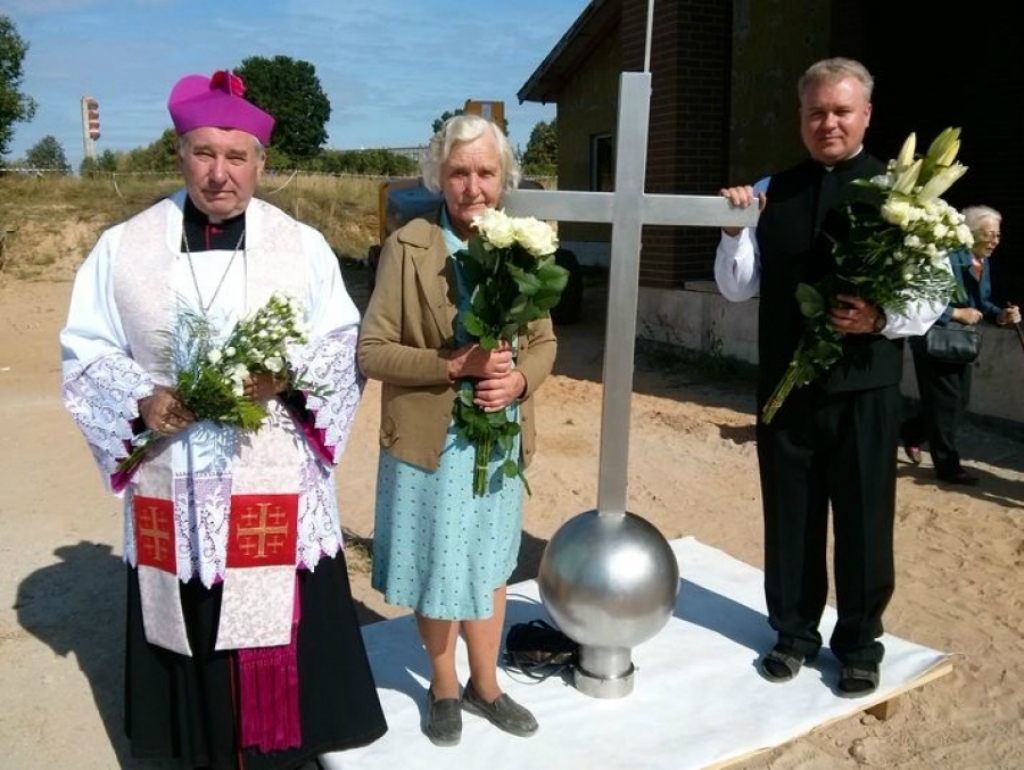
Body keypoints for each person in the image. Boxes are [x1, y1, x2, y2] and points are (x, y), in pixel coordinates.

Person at [60, 70, 386, 769]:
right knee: (185, 613)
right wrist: (141, 398)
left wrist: (287, 377)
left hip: (266, 464)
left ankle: (274, 753)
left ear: (260, 164)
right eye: (204, 153)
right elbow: (85, 352)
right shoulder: (124, 247)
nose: (219, 173)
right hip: (171, 469)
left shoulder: (302, 247)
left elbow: (340, 345)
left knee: (271, 614)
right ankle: (193, 744)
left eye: (236, 157)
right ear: (179, 153)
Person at [714, 58, 945, 697]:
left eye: (842, 111)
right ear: (801, 117)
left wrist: (880, 316)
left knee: (866, 518)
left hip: (865, 391)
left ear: (867, 115)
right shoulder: (771, 190)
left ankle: (860, 643)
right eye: (816, 111)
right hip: (787, 389)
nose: (828, 123)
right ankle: (792, 634)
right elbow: (737, 289)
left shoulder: (904, 196)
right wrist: (735, 229)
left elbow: (931, 298)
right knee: (791, 517)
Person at [357, 114, 557, 746]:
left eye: (486, 172)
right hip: (429, 439)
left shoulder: (523, 245)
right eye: (459, 172)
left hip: (496, 439)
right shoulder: (408, 244)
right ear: (439, 177)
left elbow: (545, 341)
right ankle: (444, 685)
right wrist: (453, 366)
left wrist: (520, 382)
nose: (473, 186)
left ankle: (486, 684)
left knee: (491, 563)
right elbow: (372, 350)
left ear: (504, 178)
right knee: (438, 563)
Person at [900, 206, 1021, 485]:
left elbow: (981, 303)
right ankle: (948, 466)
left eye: (998, 235)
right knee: (945, 405)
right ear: (971, 233)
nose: (995, 241)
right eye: (989, 234)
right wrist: (954, 313)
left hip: (960, 342)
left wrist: (1000, 315)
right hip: (935, 338)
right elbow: (919, 296)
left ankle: (912, 432)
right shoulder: (945, 256)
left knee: (958, 403)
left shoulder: (983, 262)